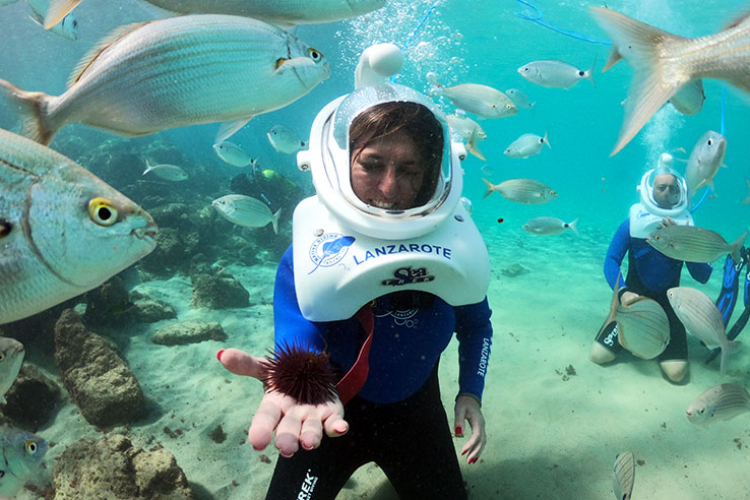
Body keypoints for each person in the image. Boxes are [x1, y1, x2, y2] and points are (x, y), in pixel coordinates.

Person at [217, 84, 493, 499]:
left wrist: (471, 390)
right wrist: (294, 385)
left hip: (417, 416)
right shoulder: (307, 256)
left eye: (410, 169)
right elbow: (300, 335)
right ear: (339, 163)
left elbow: (477, 326)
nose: (388, 188)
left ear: (433, 173)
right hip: (326, 411)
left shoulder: (456, 251)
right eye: (371, 164)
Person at [589, 154, 713, 383]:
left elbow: (702, 276)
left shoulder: (686, 227)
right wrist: (623, 292)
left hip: (670, 305)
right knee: (598, 356)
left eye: (672, 189)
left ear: (681, 192)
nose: (667, 192)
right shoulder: (632, 222)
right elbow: (611, 261)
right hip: (631, 302)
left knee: (676, 375)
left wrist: (683, 243)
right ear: (650, 190)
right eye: (661, 187)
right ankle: (632, 335)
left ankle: (651, 339)